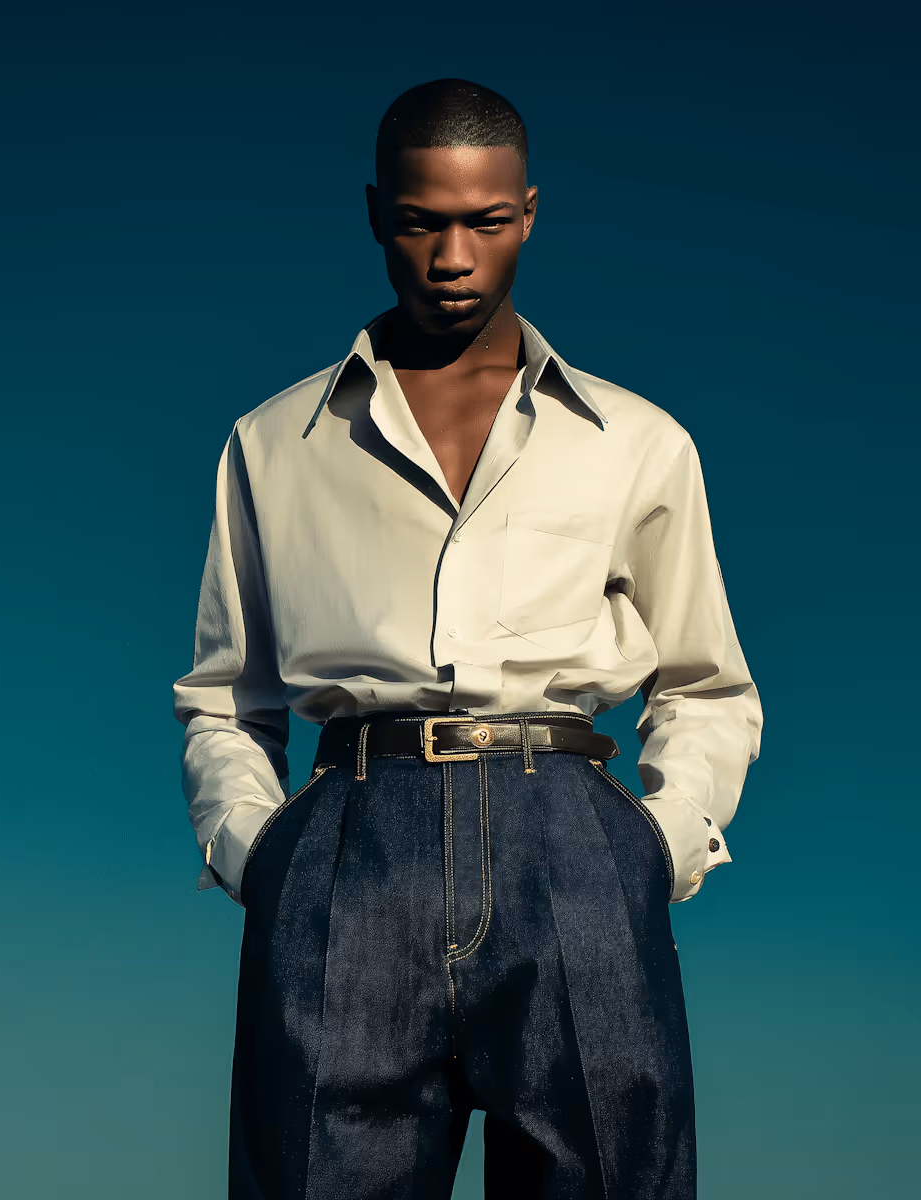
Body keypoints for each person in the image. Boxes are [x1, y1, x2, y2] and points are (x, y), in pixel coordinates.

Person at [173, 78, 762, 1200]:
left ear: (528, 213)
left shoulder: (636, 442)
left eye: (486, 223)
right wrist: (266, 854)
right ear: (375, 213)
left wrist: (653, 847)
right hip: (349, 845)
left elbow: (707, 684)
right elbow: (223, 694)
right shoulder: (272, 444)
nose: (453, 257)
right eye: (421, 220)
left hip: (573, 845)